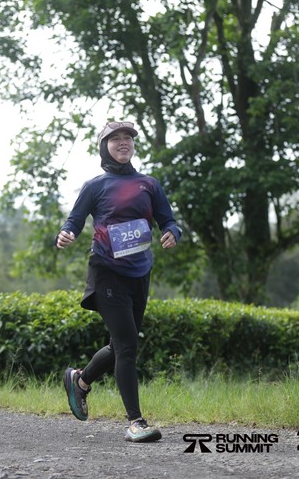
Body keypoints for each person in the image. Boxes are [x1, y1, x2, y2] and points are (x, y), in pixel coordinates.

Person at [55, 120, 181, 442]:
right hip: (107, 271)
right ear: (104, 147)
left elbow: (168, 220)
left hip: (140, 272)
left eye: (128, 138)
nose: (123, 142)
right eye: (115, 139)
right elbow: (74, 221)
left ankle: (80, 380)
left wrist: (172, 232)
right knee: (127, 346)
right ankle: (136, 422)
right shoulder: (95, 186)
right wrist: (66, 233)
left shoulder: (149, 184)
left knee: (119, 345)